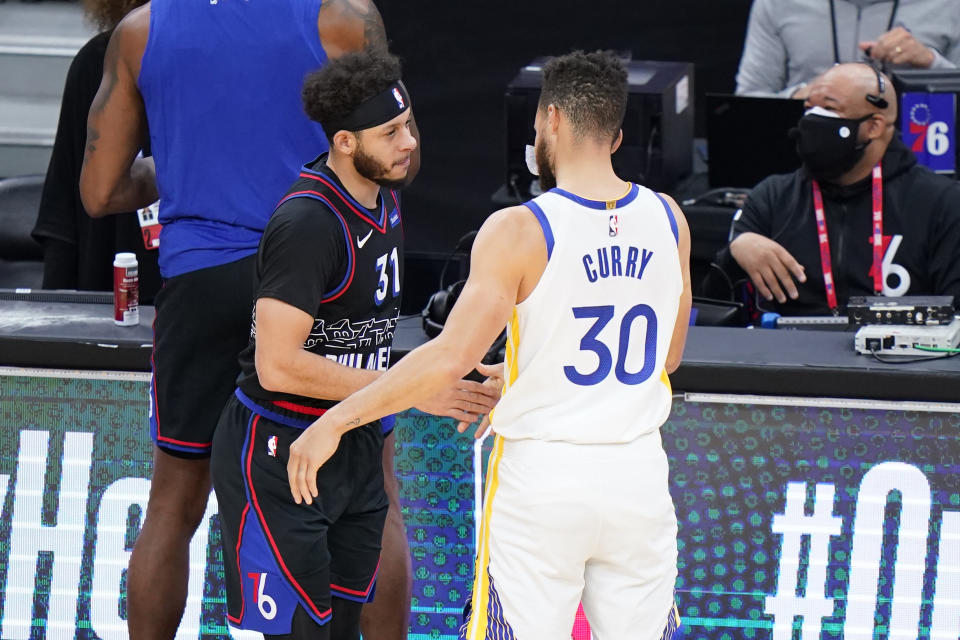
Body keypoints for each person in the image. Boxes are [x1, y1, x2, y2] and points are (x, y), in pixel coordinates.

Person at [285, 50, 693, 640]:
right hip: (638, 479)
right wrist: (534, 370)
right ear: (618, 133)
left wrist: (337, 421)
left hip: (546, 479)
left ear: (551, 119)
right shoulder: (669, 217)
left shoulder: (520, 228)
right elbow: (667, 358)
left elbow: (449, 356)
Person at [76, 1, 418, 638]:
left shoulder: (141, 30)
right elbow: (395, 152)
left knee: (175, 503)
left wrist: (170, 173)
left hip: (204, 281)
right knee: (376, 492)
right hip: (322, 271)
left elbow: (99, 191)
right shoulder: (341, 16)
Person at [209, 50, 499, 640]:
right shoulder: (308, 223)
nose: (409, 142)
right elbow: (277, 364)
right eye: (391, 132)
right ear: (344, 142)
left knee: (345, 627)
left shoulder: (384, 196)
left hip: (353, 442)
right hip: (283, 450)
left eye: (410, 124)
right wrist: (410, 391)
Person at [724, 63, 960, 316]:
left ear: (874, 127)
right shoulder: (773, 197)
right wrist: (736, 249)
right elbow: (714, 305)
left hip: (902, 353)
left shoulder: (941, 202)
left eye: (829, 108)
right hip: (789, 351)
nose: (813, 118)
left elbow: (955, 313)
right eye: (809, 107)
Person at [31, 0, 161, 302]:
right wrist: (56, 316)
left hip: (201, 286)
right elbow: (62, 212)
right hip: (112, 283)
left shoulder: (239, 66)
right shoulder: (98, 61)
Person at [735, 0, 960, 98]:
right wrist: (803, 96)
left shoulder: (949, 5)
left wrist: (932, 64)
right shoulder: (778, 4)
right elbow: (748, 101)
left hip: (918, 161)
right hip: (806, 157)